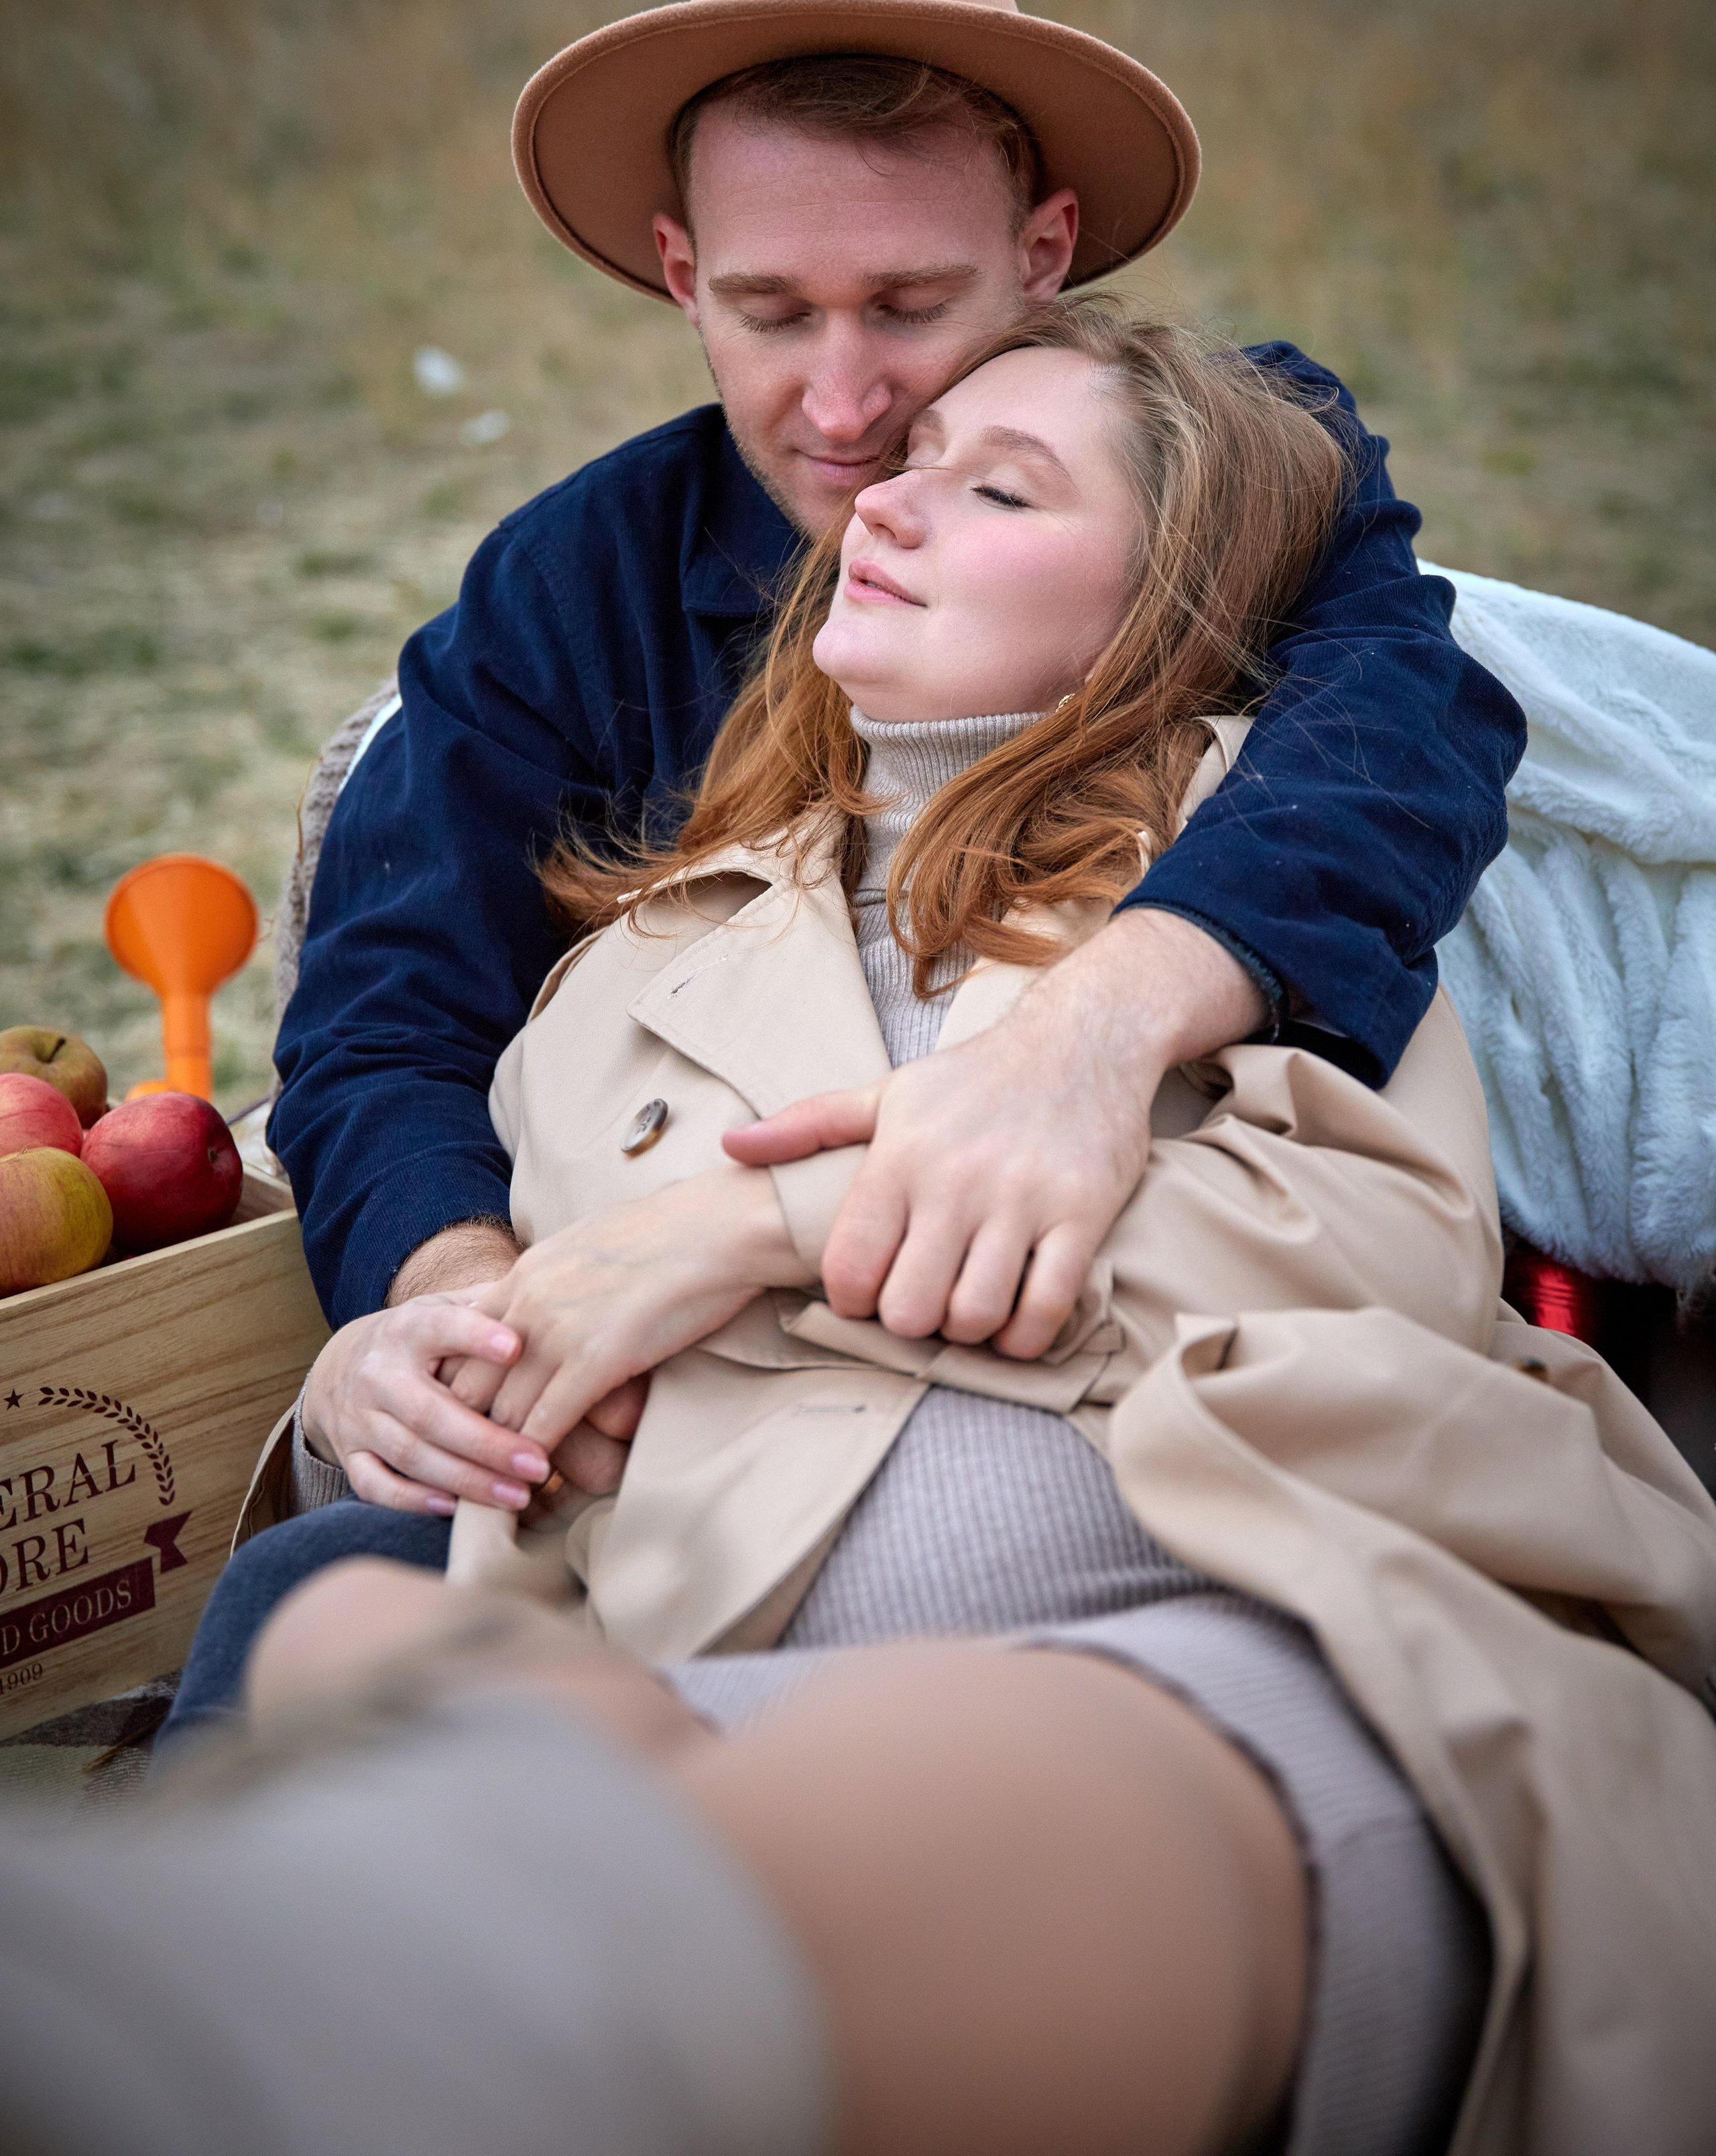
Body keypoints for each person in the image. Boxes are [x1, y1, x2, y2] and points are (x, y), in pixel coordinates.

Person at [151, 304, 1716, 2156]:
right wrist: (404, 1377)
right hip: (691, 1657)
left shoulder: (1256, 879)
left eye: (1000, 490)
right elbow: (509, 1287)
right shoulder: (638, 956)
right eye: (906, 471)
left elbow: (1346, 1261)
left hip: (1216, 1644)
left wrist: (760, 1233)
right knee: (344, 1659)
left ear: (1167, 604)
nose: (885, 502)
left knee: (787, 1859)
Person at [269, 0, 1526, 1520]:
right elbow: (386, 1011)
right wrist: (462, 1313)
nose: (847, 406)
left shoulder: (1214, 460)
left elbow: (1401, 727)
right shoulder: (567, 585)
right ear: (675, 273)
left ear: (1041, 251)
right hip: (648, 1396)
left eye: (913, 309)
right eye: (770, 313)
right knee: (307, 1611)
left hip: (1115, 1352)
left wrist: (1084, 1043)